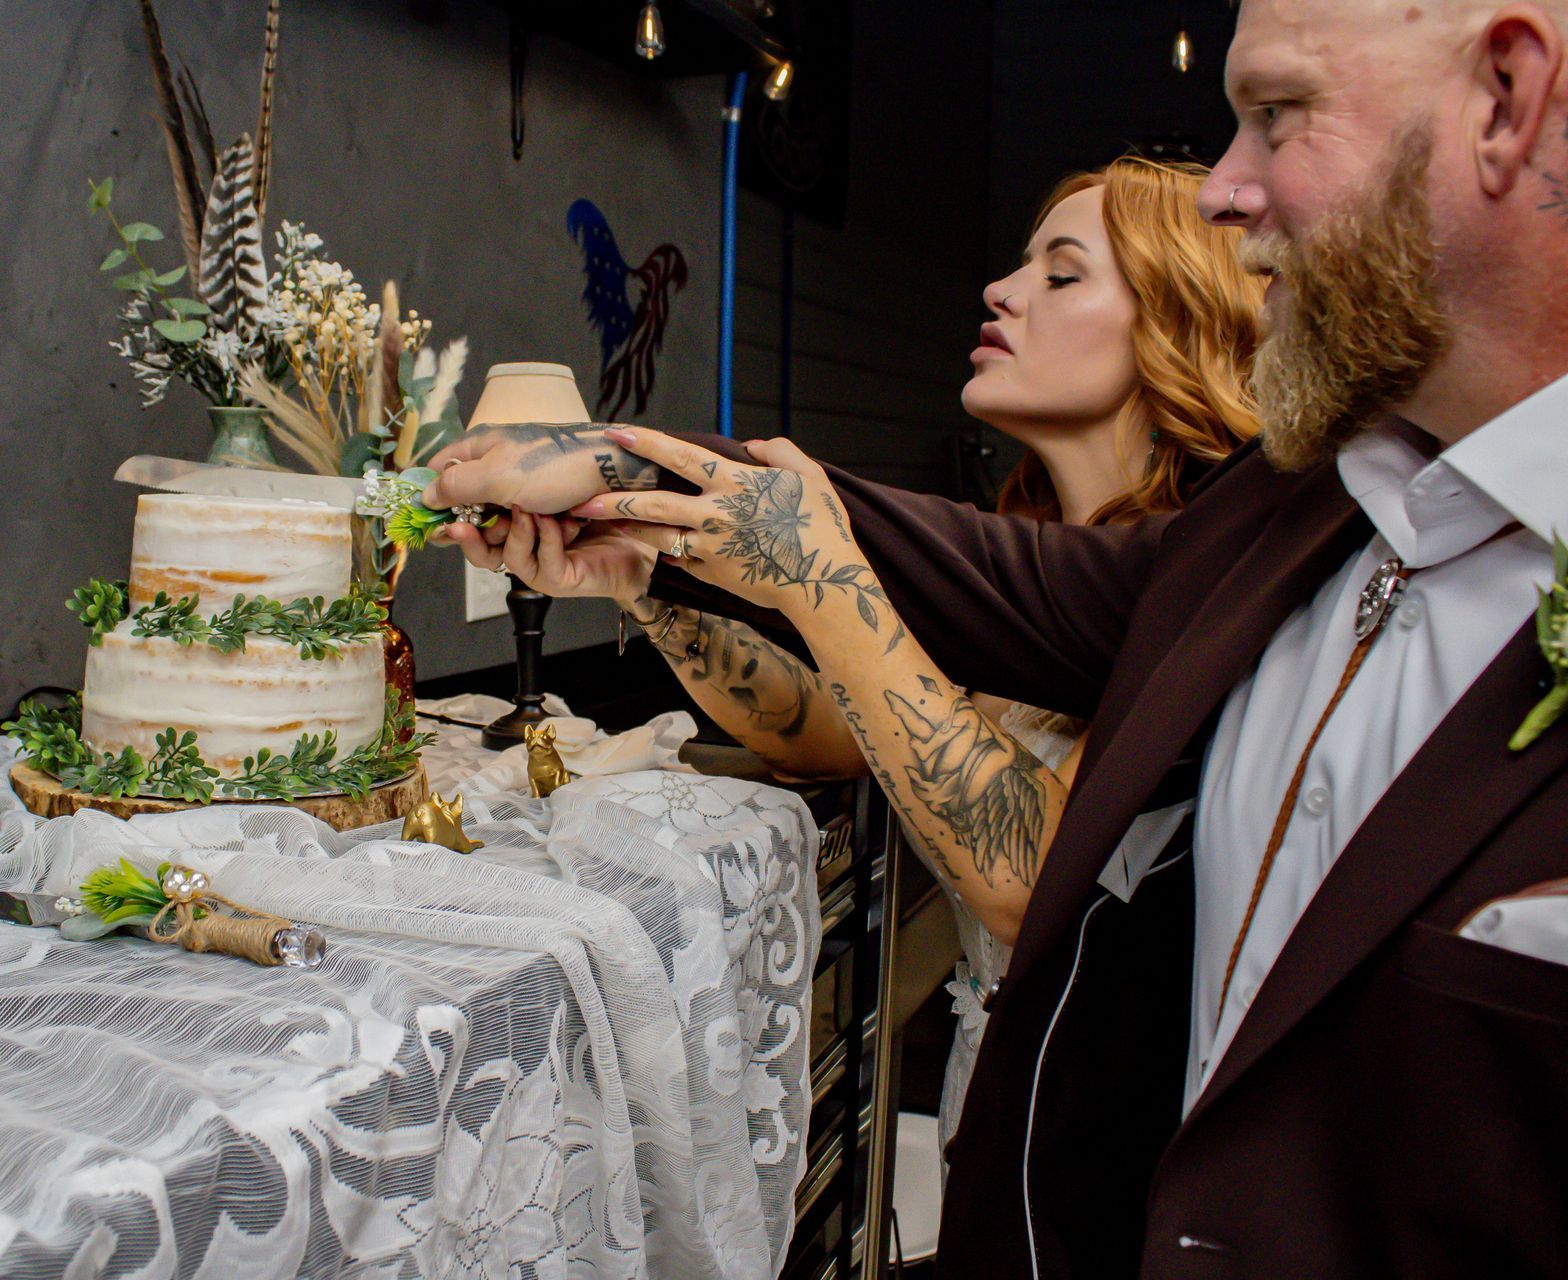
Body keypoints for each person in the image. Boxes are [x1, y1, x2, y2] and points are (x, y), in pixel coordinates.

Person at [423, 0, 1568, 1271]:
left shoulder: (1272, 502)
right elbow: (836, 698)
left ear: (1509, 99)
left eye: (1279, 115)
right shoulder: (1288, 519)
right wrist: (636, 542)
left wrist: (789, 562)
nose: (1229, 189)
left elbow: (1025, 858)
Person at [440, 156, 1262, 1174]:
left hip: (1109, 1126)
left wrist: (821, 579)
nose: (1001, 290)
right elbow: (834, 731)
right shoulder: (1027, 556)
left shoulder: (1205, 580)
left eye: (1061, 272)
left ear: (1182, 324)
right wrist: (640, 579)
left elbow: (1035, 876)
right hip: (993, 1076)